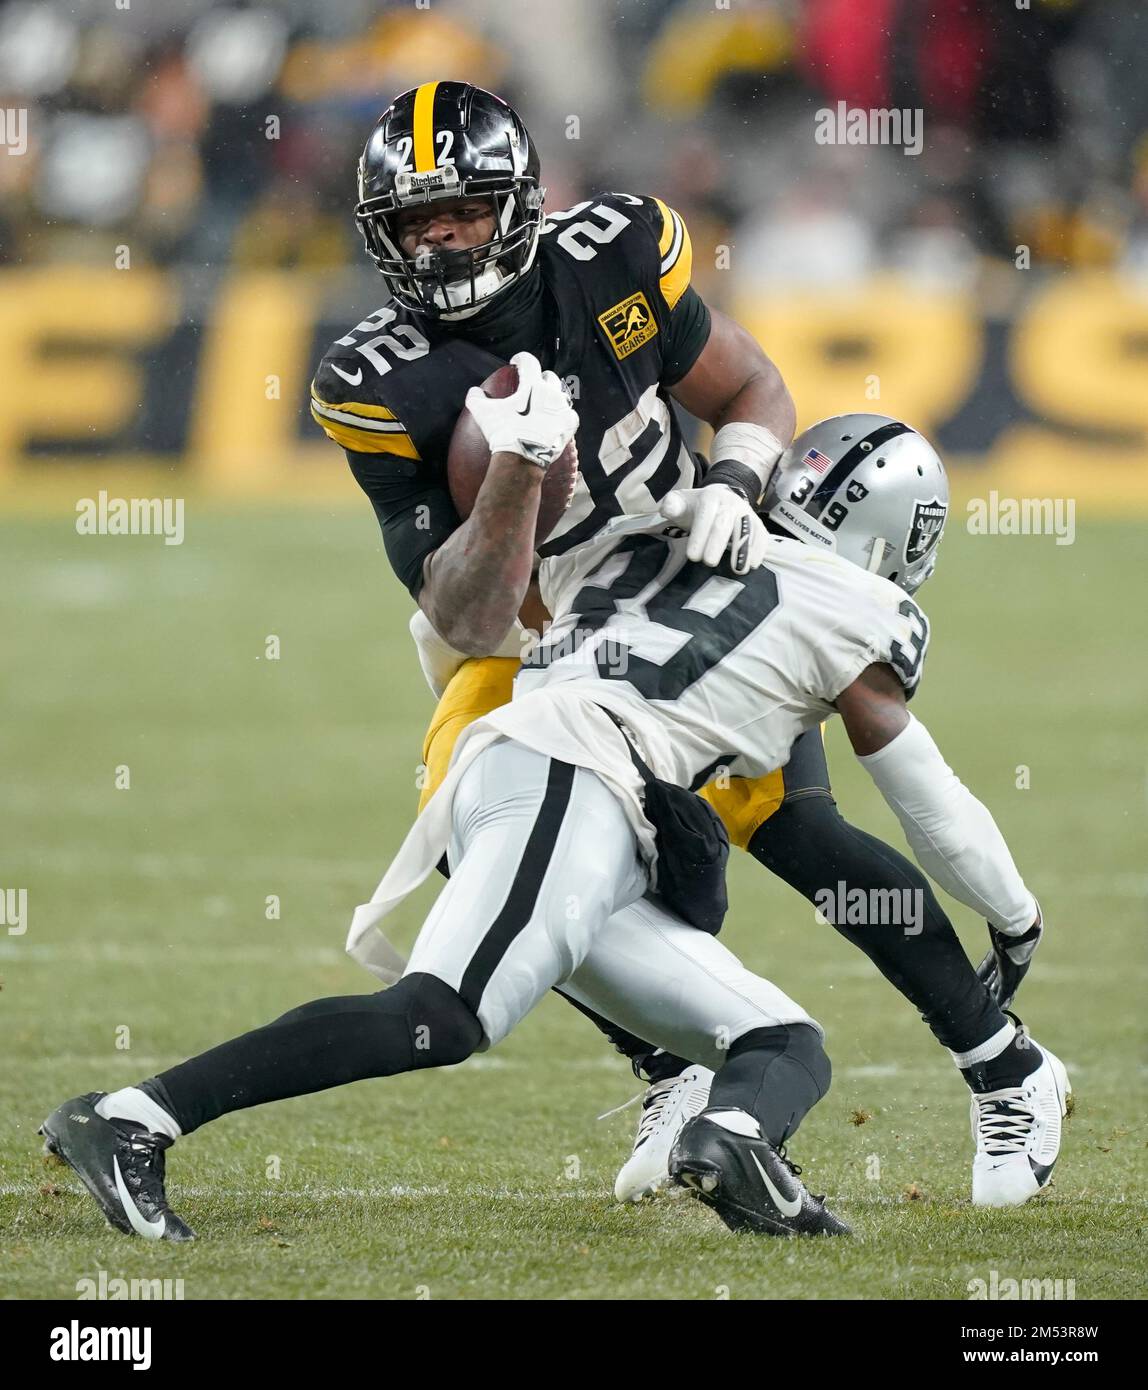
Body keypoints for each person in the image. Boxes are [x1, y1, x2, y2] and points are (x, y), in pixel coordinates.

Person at [40, 407, 1067, 1242]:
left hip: (564, 771)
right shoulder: (854, 604)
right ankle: (134, 1116)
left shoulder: (676, 513)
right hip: (567, 774)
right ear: (885, 537)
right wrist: (1013, 918)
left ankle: (728, 1136)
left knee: (781, 1038)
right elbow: (925, 797)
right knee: (438, 1016)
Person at [307, 81, 1046, 1200]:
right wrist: (507, 483)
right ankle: (672, 1068)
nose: (441, 237)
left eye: (460, 210)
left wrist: (739, 486)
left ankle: (1003, 1067)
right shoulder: (379, 379)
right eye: (416, 222)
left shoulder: (611, 257)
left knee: (805, 838)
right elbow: (459, 611)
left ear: (518, 203)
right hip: (533, 629)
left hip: (679, 574)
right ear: (382, 237)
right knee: (477, 837)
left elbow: (748, 384)